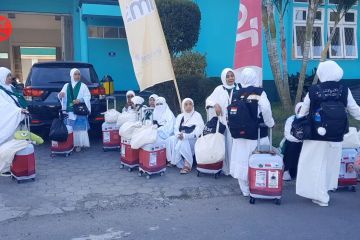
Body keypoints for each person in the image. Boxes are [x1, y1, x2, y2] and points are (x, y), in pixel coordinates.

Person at [296, 60, 360, 207]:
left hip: (315, 135)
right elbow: (355, 110)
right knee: (330, 165)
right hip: (336, 135)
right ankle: (324, 190)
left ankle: (320, 196)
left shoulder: (313, 90)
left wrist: (298, 122)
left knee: (313, 164)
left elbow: (303, 111)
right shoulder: (344, 89)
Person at [229, 68, 275, 197]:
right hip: (256, 134)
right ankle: (258, 186)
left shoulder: (237, 93)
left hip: (238, 134)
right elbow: (266, 109)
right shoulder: (259, 92)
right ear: (255, 78)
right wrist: (270, 123)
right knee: (257, 160)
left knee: (241, 159)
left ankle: (245, 190)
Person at [206, 68, 239, 175]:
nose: (230, 78)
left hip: (237, 123)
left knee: (236, 147)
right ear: (224, 78)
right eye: (228, 76)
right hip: (224, 122)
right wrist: (215, 105)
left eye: (232, 75)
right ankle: (227, 169)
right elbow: (209, 100)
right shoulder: (219, 89)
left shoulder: (239, 88)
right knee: (225, 145)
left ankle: (236, 169)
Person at [0, 67, 29, 176]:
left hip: (17, 119)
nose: (10, 78)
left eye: (10, 75)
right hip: (8, 122)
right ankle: (4, 168)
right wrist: (18, 110)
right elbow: (4, 107)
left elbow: (18, 100)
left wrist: (21, 109)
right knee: (8, 144)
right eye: (7, 76)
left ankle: (15, 165)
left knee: (16, 144)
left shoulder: (10, 87)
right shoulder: (0, 91)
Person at [166, 98, 204, 174]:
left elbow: (198, 131)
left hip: (193, 139)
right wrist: (178, 135)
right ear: (183, 106)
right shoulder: (180, 116)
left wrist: (186, 136)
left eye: (190, 104)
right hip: (181, 136)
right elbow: (176, 128)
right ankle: (172, 160)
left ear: (193, 105)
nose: (188, 106)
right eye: (186, 104)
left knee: (183, 141)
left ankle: (187, 165)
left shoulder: (197, 115)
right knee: (170, 139)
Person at [58, 68, 91, 152]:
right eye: (75, 74)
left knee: (79, 128)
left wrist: (80, 100)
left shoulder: (83, 86)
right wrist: (60, 95)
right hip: (69, 110)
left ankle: (78, 144)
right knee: (70, 128)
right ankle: (70, 143)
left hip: (79, 110)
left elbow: (88, 96)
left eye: (78, 74)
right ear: (71, 75)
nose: (77, 76)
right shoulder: (66, 86)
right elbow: (61, 95)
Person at [282, 102, 303, 181]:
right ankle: (287, 170)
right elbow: (287, 135)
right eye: (300, 109)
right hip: (293, 141)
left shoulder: (309, 119)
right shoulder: (291, 119)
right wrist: (299, 140)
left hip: (305, 142)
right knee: (292, 145)